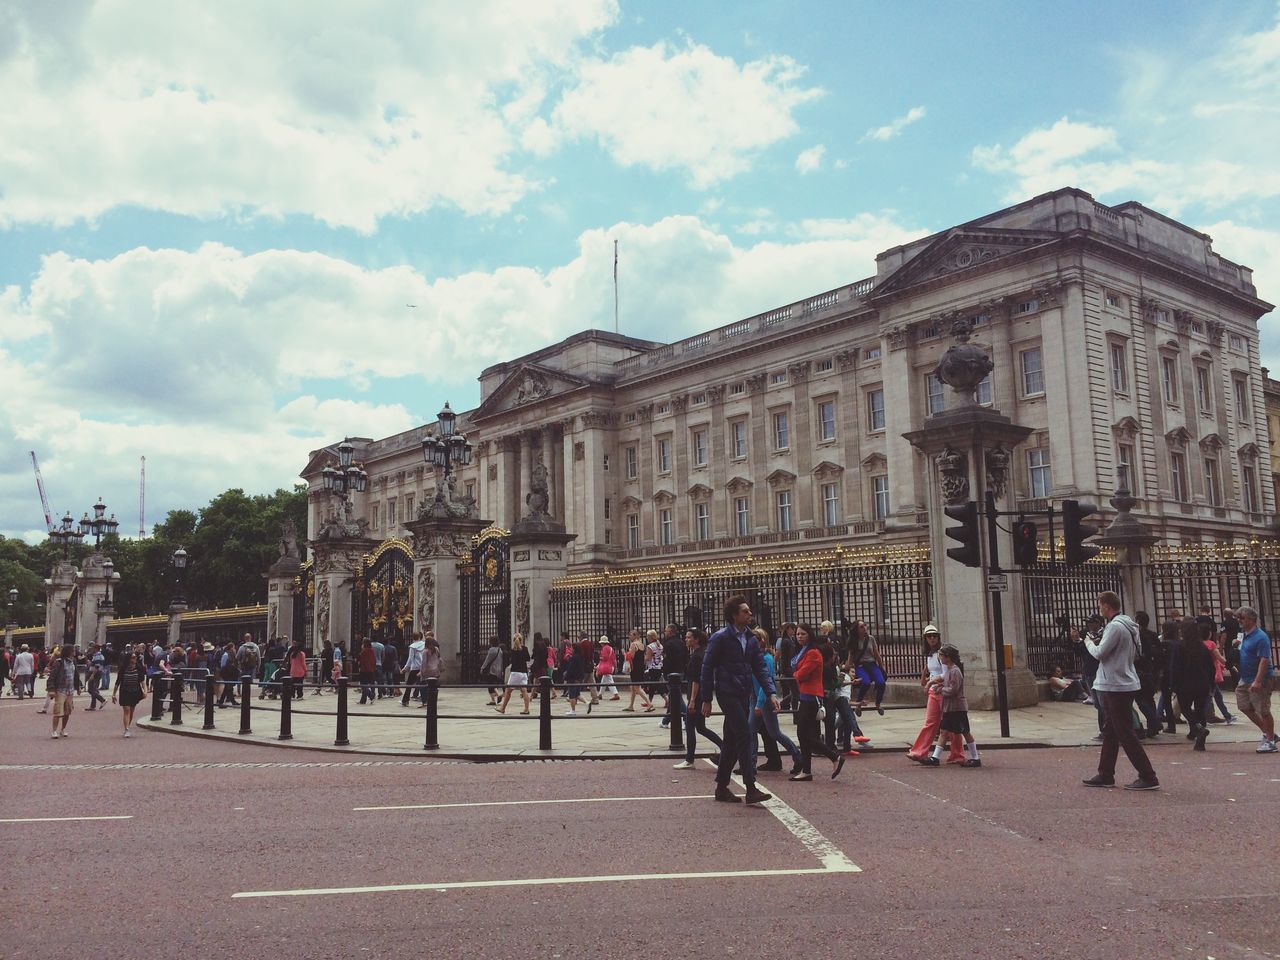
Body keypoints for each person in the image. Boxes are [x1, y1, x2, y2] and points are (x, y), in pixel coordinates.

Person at [700, 596, 777, 804]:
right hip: (727, 692)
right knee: (744, 735)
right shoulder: (720, 638)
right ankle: (751, 788)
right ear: (734, 615)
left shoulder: (751, 638)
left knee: (731, 741)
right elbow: (707, 669)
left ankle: (721, 787)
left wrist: (771, 692)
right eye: (745, 611)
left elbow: (760, 668)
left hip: (743, 692)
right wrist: (706, 699)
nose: (750, 614)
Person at [1081, 592, 1159, 790]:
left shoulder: (1115, 626)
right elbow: (1135, 653)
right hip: (1121, 681)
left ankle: (1148, 776)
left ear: (1107, 606)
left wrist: (1088, 641)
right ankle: (1105, 773)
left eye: (1101, 605)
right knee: (1110, 730)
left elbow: (1100, 653)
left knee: (1124, 732)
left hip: (1116, 684)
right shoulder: (1130, 626)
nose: (1100, 609)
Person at [789, 623, 845, 783]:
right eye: (798, 634)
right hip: (805, 695)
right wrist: (797, 674)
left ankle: (834, 757)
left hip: (811, 696)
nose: (799, 636)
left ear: (810, 635)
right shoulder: (803, 651)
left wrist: (796, 674)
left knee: (803, 734)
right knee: (807, 735)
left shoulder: (813, 653)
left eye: (803, 634)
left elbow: (802, 674)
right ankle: (806, 771)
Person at [908, 625, 966, 762]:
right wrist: (926, 678)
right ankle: (919, 752)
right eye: (929, 636)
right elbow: (933, 671)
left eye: (934, 635)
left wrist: (930, 682)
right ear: (925, 639)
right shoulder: (930, 654)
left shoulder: (943, 653)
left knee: (951, 725)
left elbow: (946, 674)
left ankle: (957, 755)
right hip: (934, 691)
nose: (932, 638)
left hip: (942, 691)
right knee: (930, 722)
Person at [750, 628, 801, 774]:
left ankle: (798, 756)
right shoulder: (753, 657)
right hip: (754, 698)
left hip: (764, 699)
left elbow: (767, 682)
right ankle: (751, 764)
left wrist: (759, 703)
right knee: (752, 731)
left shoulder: (767, 659)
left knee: (774, 733)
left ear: (762, 641)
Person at [920, 645, 981, 767]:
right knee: (943, 731)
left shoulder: (955, 671)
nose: (940, 658)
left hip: (957, 708)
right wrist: (935, 684)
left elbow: (953, 690)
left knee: (965, 732)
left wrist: (940, 690)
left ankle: (975, 758)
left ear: (948, 657)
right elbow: (943, 680)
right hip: (949, 708)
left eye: (941, 655)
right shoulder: (949, 670)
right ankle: (935, 758)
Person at [674, 628, 724, 769]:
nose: (686, 639)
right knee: (701, 728)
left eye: (689, 637)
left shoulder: (697, 656)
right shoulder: (701, 653)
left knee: (691, 727)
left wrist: (692, 700)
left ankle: (689, 759)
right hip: (700, 695)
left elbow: (696, 679)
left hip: (696, 695)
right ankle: (724, 747)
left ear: (696, 640)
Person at [1233, 607, 1277, 753]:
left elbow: (1264, 659)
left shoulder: (1261, 637)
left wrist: (1258, 680)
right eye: (1238, 618)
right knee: (1244, 706)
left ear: (1251, 620)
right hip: (1245, 677)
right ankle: (1268, 733)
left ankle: (1270, 741)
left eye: (1242, 618)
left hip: (1260, 678)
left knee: (1263, 709)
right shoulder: (1244, 635)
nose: (1239, 620)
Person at [1170, 617, 1215, 751]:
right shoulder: (1202, 646)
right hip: (1202, 683)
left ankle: (1197, 728)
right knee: (1200, 710)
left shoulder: (1179, 646)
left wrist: (1173, 684)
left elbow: (1175, 667)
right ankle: (1198, 736)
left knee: (1185, 708)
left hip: (1185, 684)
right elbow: (1210, 668)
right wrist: (1211, 684)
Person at [1133, 611, 1163, 737]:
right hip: (1151, 670)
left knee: (1140, 699)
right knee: (1150, 699)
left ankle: (1154, 722)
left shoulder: (1137, 635)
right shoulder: (1153, 635)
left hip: (1139, 669)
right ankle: (1152, 727)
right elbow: (1159, 654)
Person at [850, 620, 887, 716]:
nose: (865, 628)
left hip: (872, 664)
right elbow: (851, 657)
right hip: (861, 666)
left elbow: (876, 654)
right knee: (865, 683)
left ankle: (878, 703)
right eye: (862, 627)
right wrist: (849, 668)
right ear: (857, 630)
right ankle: (858, 704)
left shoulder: (871, 639)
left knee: (881, 682)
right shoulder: (853, 641)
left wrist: (882, 667)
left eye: (865, 625)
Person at [111, 649, 148, 737]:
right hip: (125, 691)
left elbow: (142, 682)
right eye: (133, 657)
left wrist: (145, 691)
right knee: (126, 710)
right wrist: (113, 694)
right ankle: (126, 729)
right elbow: (117, 683)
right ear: (128, 659)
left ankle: (128, 726)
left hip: (135, 691)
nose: (134, 659)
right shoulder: (123, 669)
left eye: (135, 657)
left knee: (131, 711)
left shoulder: (139, 668)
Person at [47, 645, 80, 739]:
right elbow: (52, 676)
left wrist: (78, 687)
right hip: (61, 690)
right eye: (73, 651)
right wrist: (51, 689)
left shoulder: (74, 661)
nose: (75, 652)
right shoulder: (59, 662)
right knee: (58, 711)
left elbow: (76, 675)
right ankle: (54, 730)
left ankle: (63, 729)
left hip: (70, 690)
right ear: (68, 652)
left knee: (67, 711)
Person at [660, 623, 688, 729]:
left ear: (671, 631)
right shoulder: (681, 642)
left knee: (676, 696)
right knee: (673, 696)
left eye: (666, 630)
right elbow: (686, 657)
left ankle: (687, 719)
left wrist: (664, 671)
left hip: (671, 673)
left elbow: (667, 660)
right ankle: (666, 720)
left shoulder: (668, 644)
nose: (665, 632)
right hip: (680, 671)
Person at [495, 634, 532, 715]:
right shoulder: (525, 649)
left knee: (508, 691)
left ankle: (503, 708)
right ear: (521, 640)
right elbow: (528, 658)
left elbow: (511, 661)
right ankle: (526, 709)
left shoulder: (513, 650)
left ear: (513, 641)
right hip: (523, 673)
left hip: (515, 673)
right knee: (524, 691)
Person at [624, 631, 653, 712]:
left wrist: (625, 654)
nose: (629, 637)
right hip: (640, 667)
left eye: (630, 635)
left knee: (637, 688)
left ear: (635, 636)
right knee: (633, 688)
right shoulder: (642, 645)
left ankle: (649, 703)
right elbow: (643, 657)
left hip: (635, 668)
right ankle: (631, 706)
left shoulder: (633, 644)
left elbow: (631, 656)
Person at [776, 622, 798, 714]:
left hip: (791, 668)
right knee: (795, 691)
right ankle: (794, 712)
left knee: (795, 691)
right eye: (792, 629)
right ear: (788, 629)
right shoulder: (785, 641)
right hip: (788, 669)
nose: (794, 631)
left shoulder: (790, 640)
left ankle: (782, 704)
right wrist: (783, 671)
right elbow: (784, 657)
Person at [417, 633, 441, 706]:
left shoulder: (425, 651)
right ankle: (432, 700)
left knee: (422, 685)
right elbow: (439, 658)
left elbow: (424, 663)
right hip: (435, 670)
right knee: (433, 687)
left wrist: (421, 672)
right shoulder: (436, 649)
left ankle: (425, 701)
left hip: (427, 671)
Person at [402, 632, 425, 706]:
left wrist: (405, 668)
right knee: (423, 684)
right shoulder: (424, 644)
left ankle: (405, 700)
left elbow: (410, 658)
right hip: (423, 667)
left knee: (409, 685)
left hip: (415, 667)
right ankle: (425, 700)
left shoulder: (412, 647)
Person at [479, 637, 503, 705]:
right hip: (499, 669)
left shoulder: (491, 650)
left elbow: (487, 660)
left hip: (492, 669)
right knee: (494, 683)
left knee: (490, 685)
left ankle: (495, 698)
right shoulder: (500, 650)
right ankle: (496, 697)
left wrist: (482, 667)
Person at [85, 643, 107, 711]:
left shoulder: (97, 655)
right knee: (92, 689)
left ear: (95, 649)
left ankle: (102, 700)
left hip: (96, 673)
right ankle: (93, 705)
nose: (91, 650)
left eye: (93, 648)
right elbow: (93, 664)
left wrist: (92, 675)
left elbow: (97, 666)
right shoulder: (97, 655)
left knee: (91, 689)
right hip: (96, 672)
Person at [356, 638, 377, 705]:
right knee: (367, 684)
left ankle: (371, 695)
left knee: (363, 685)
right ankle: (363, 700)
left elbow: (362, 661)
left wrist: (359, 666)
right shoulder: (372, 651)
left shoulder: (364, 651)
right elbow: (374, 660)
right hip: (371, 670)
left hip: (364, 670)